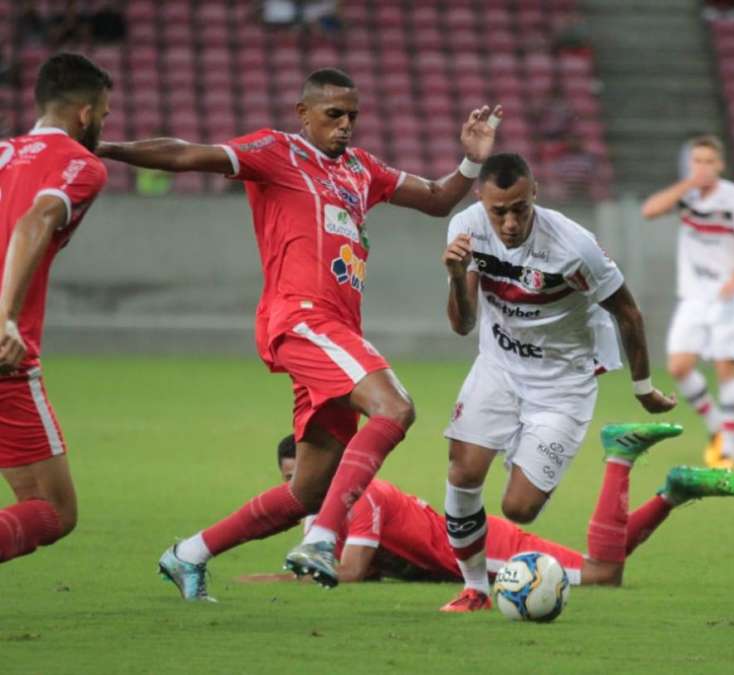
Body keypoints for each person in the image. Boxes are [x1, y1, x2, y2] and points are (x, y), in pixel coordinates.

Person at [98, 68, 502, 600]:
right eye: (334, 114)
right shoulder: (276, 151)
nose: (345, 125)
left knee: (307, 490)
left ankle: (189, 553)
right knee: (396, 408)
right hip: (302, 317)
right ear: (303, 114)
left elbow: (434, 197)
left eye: (352, 115)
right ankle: (323, 541)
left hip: (336, 329)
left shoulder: (362, 169)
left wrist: (472, 159)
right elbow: (184, 153)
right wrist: (102, 147)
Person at [440, 153, 677, 611]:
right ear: (480, 200)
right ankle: (475, 589)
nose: (509, 223)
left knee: (518, 508)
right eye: (498, 211)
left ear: (535, 195)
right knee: (464, 471)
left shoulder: (574, 246)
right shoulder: (466, 230)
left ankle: (535, 453)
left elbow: (627, 312)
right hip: (499, 367)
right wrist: (455, 277)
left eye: (519, 209)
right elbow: (463, 324)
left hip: (562, 382)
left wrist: (643, 387)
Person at [242, 427, 734, 586]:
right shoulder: (316, 513)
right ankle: (672, 494)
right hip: (465, 550)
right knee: (603, 566)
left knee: (603, 575)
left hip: (483, 550)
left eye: (304, 474)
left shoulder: (366, 496)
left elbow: (350, 572)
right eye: (290, 479)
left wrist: (274, 580)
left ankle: (619, 456)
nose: (299, 486)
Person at [0, 53, 112, 563]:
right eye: (105, 116)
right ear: (86, 113)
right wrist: (4, 318)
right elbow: (33, 222)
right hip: (4, 355)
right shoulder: (81, 165)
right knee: (52, 508)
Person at [640, 135, 734, 471]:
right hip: (694, 296)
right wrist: (686, 185)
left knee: (726, 368)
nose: (703, 167)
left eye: (709, 161)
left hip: (727, 295)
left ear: (720, 164)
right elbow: (649, 210)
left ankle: (730, 449)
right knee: (678, 366)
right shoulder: (688, 196)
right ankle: (716, 427)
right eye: (697, 161)